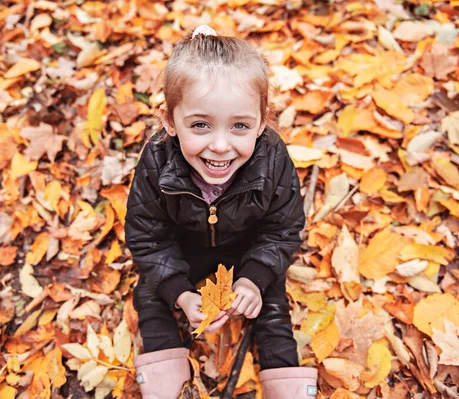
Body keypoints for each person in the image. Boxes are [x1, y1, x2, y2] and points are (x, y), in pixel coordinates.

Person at [125, 25, 318, 398]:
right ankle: (167, 380)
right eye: (200, 125)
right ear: (170, 121)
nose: (219, 146)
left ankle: (286, 380)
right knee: (151, 294)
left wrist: (254, 277)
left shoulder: (272, 159)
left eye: (239, 127)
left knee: (273, 303)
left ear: (261, 123)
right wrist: (180, 293)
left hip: (245, 251)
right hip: (183, 250)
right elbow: (147, 236)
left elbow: (283, 228)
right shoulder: (156, 161)